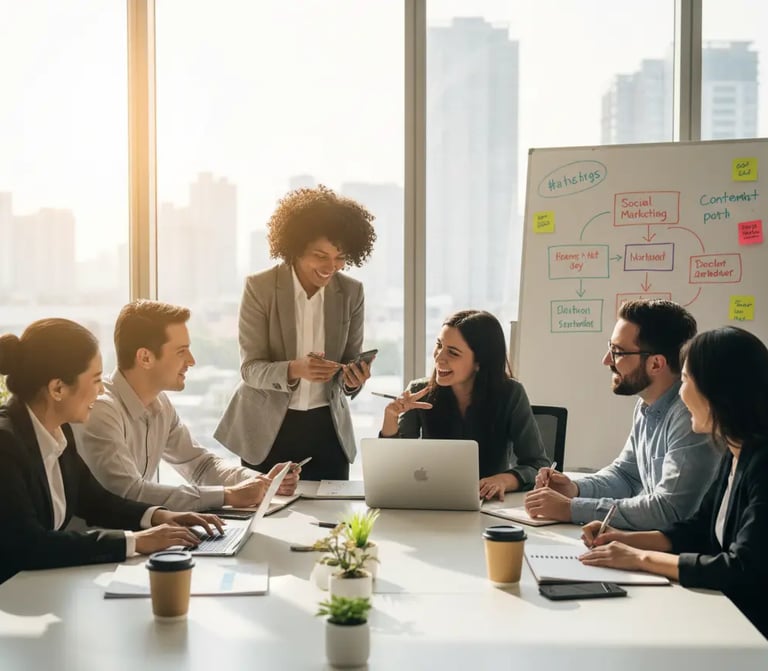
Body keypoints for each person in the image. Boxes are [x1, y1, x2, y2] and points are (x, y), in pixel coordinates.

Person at [0, 318, 224, 584]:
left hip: (36, 587)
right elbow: (29, 544)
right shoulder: (6, 443)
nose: (101, 390)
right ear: (57, 388)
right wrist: (134, 542)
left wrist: (159, 515)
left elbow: (94, 499)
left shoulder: (60, 430)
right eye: (95, 380)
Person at [578, 326, 768, 638]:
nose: (680, 393)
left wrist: (640, 559)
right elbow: (696, 530)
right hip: (726, 620)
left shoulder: (763, 464)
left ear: (718, 391)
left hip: (750, 635)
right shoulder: (734, 452)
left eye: (687, 381)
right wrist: (621, 538)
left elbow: (742, 569)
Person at [215, 185, 377, 480]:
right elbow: (250, 370)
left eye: (340, 257)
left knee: (332, 521)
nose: (332, 267)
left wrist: (354, 380)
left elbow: (349, 366)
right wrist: (295, 369)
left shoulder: (352, 292)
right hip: (267, 432)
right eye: (321, 255)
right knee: (267, 517)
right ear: (296, 247)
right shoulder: (261, 288)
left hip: (327, 430)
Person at [78, 300, 298, 512]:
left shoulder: (160, 404)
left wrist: (261, 481)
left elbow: (200, 465)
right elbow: (128, 492)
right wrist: (227, 495)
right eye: (181, 351)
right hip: (102, 544)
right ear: (145, 358)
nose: (192, 360)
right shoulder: (102, 409)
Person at [525, 299, 719, 529]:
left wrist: (571, 508)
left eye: (617, 352)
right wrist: (575, 489)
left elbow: (669, 510)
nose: (607, 360)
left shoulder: (690, 417)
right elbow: (626, 476)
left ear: (656, 364)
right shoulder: (646, 405)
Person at [380, 310, 549, 500]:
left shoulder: (510, 394)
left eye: (452, 352)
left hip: (490, 506)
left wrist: (503, 480)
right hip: (431, 500)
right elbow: (395, 469)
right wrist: (391, 418)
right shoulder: (420, 391)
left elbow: (537, 465)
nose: (439, 358)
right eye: (439, 346)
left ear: (479, 362)